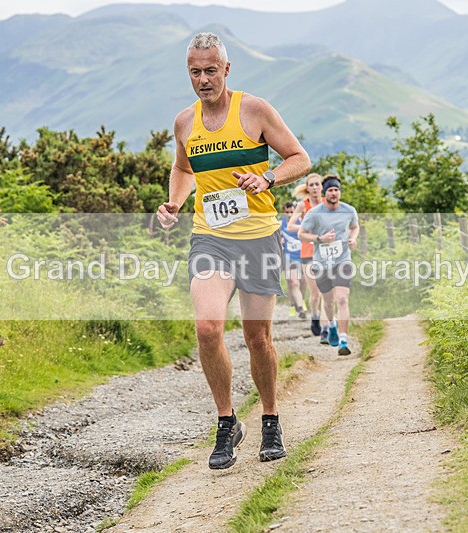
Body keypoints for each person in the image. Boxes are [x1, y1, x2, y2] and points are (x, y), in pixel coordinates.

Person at [156, 32, 311, 469]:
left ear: (226, 69)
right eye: (195, 72)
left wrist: (268, 179)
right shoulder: (184, 122)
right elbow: (183, 167)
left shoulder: (255, 110)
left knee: (257, 337)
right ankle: (227, 423)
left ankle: (269, 419)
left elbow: (300, 158)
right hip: (211, 238)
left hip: (258, 236)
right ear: (188, 72)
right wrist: (176, 202)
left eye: (210, 70)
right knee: (207, 328)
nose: (203, 79)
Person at [298, 175, 359, 356]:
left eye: (336, 190)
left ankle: (343, 340)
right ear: (325, 193)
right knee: (329, 301)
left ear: (340, 192)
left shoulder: (349, 210)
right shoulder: (315, 213)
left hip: (342, 261)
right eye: (330, 190)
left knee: (342, 299)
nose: (334, 193)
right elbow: (302, 234)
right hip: (322, 263)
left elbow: (355, 226)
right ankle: (331, 325)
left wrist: (353, 238)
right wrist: (319, 239)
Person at [287, 173, 330, 343]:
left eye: (317, 184)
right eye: (311, 185)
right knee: (315, 294)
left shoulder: (328, 204)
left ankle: (326, 329)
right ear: (307, 188)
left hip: (326, 251)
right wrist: (306, 228)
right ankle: (315, 315)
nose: (314, 188)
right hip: (308, 253)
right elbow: (290, 226)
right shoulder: (302, 205)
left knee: (326, 292)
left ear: (322, 186)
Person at [280, 201, 308, 319]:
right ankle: (300, 308)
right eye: (287, 212)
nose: (290, 215)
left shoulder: (301, 222)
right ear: (284, 212)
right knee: (293, 283)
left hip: (302, 257)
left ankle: (299, 301)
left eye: (292, 212)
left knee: (303, 282)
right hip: (289, 258)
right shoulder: (280, 224)